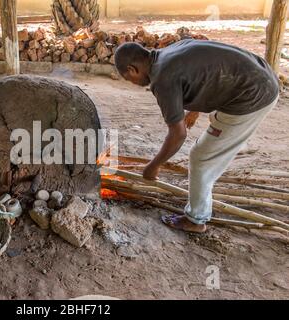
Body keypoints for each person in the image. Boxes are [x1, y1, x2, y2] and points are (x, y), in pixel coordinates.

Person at [114, 39, 279, 233]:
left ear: (133, 69)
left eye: (128, 79)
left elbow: (178, 134)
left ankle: (196, 220)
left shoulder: (162, 80)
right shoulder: (168, 52)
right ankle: (231, 141)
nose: (132, 83)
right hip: (263, 74)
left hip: (254, 96)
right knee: (215, 122)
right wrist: (194, 110)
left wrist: (153, 166)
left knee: (201, 158)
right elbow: (205, 68)